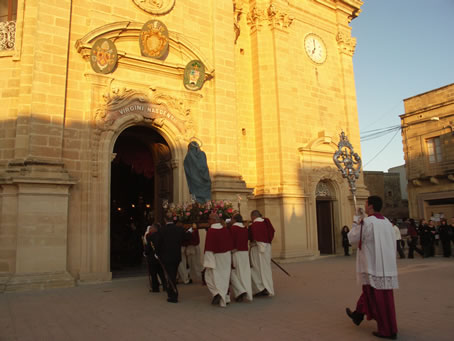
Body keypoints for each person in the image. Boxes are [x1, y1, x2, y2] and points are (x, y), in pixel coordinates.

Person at [346, 196, 398, 340]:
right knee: (383, 297)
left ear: (370, 206)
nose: (365, 205)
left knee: (377, 298)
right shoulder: (387, 222)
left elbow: (352, 238)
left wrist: (356, 220)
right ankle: (362, 316)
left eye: (366, 203)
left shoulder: (367, 223)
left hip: (372, 265)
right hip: (386, 265)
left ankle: (386, 330)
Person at [156, 211, 192, 303]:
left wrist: (157, 254)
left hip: (166, 256)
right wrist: (191, 230)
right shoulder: (179, 229)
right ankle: (171, 292)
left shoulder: (162, 230)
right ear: (173, 220)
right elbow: (187, 237)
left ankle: (173, 294)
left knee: (170, 275)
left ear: (165, 220)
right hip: (176, 256)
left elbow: (158, 244)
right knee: (172, 273)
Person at [203, 212, 234, 307]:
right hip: (227, 256)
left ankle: (218, 294)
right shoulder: (225, 229)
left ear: (213, 220)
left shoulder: (211, 231)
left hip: (216, 256)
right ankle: (226, 297)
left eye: (209, 219)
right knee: (225, 276)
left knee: (211, 276)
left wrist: (207, 261)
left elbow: (209, 247)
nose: (208, 221)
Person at [249, 210, 275, 297]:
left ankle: (261, 288)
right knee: (266, 269)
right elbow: (272, 232)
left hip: (257, 249)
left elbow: (252, 237)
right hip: (267, 247)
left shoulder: (254, 225)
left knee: (257, 269)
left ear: (253, 216)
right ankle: (267, 288)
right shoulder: (266, 222)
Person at [229, 214, 253, 302]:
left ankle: (240, 291)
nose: (230, 220)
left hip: (236, 253)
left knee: (235, 273)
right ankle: (246, 293)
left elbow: (231, 241)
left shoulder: (233, 229)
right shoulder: (244, 229)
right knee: (245, 273)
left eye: (231, 219)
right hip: (245, 253)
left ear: (235, 220)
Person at [143, 224, 166, 292]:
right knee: (161, 273)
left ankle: (155, 288)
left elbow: (148, 247)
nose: (150, 229)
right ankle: (165, 286)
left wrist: (145, 253)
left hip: (152, 257)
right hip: (160, 257)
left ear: (155, 229)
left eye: (151, 228)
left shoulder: (150, 236)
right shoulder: (162, 235)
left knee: (153, 273)